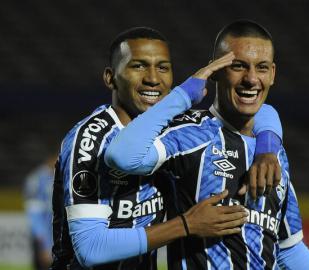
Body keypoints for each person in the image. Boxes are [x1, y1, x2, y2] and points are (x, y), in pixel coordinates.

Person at [105, 20, 309, 269]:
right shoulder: (189, 135)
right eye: (238, 66)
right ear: (216, 69)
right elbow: (121, 155)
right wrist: (185, 93)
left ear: (272, 74)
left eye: (261, 68)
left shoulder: (274, 154)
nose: (251, 79)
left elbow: (288, 248)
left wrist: (269, 147)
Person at [51, 27, 250, 270]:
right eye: (138, 66)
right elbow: (90, 248)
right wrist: (186, 225)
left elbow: (253, 111)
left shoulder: (173, 133)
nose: (153, 78)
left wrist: (268, 146)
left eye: (163, 67)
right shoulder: (91, 139)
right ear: (110, 77)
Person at [24, 153, 57, 270]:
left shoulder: (56, 176)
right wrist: (45, 246)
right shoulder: (36, 180)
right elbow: (35, 215)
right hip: (44, 241)